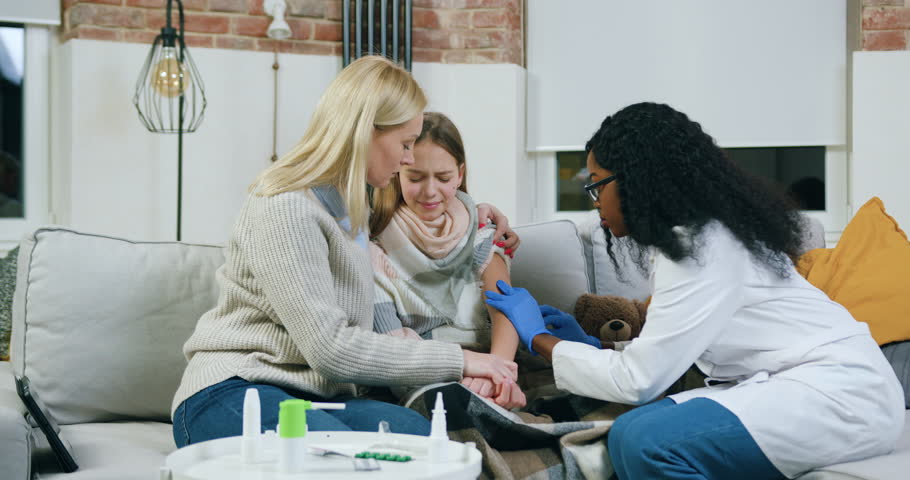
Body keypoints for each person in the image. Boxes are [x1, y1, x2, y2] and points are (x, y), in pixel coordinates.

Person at [484, 102, 904, 479]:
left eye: (597, 184)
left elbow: (640, 382)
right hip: (783, 383)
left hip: (841, 395)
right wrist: (593, 346)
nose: (594, 200)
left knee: (641, 440)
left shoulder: (702, 247)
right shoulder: (695, 237)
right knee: (631, 435)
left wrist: (538, 337)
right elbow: (667, 353)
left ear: (635, 180)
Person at [171, 56, 520, 448]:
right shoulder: (286, 206)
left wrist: (479, 214)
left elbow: (441, 225)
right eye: (405, 144)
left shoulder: (352, 212)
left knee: (421, 440)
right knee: (332, 457)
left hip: (320, 395)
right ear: (365, 132)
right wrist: (463, 360)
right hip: (237, 388)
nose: (409, 158)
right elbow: (331, 349)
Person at [369, 112, 525, 409]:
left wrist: (498, 373)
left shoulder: (481, 234)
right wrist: (465, 378)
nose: (430, 191)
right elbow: (390, 346)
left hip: (491, 371)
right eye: (415, 178)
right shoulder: (373, 247)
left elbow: (507, 312)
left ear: (460, 175)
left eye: (443, 178)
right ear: (397, 172)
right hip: (420, 376)